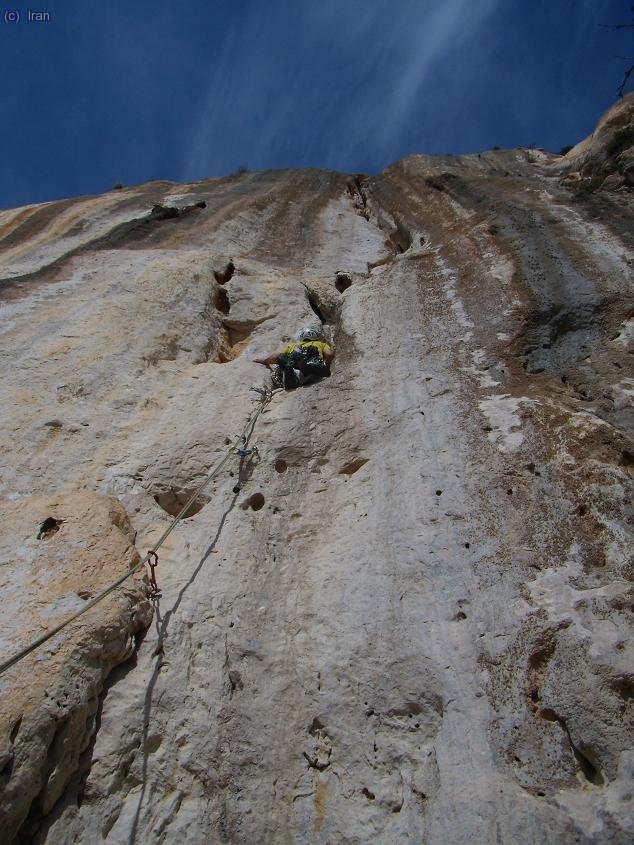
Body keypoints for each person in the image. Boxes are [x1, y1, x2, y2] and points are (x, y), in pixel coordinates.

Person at [253, 328, 334, 389]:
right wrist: (327, 367)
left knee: (283, 358)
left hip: (295, 369)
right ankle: (309, 363)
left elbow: (275, 357)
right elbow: (329, 354)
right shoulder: (320, 344)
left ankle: (289, 368)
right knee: (312, 352)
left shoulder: (292, 345)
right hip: (311, 372)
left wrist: (264, 361)